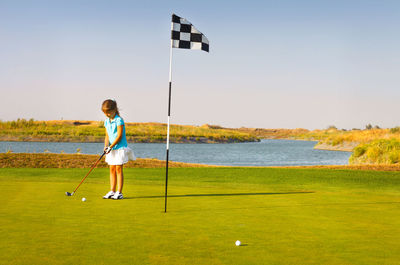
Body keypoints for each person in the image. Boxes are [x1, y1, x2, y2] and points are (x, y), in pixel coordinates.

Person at [101, 99, 135, 200]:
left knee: (118, 169)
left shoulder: (119, 120)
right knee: (111, 169)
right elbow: (107, 136)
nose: (107, 114)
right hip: (111, 149)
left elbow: (119, 136)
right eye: (105, 112)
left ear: (114, 110)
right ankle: (112, 191)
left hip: (120, 148)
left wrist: (110, 147)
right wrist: (106, 146)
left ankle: (119, 192)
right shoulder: (106, 121)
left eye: (108, 112)